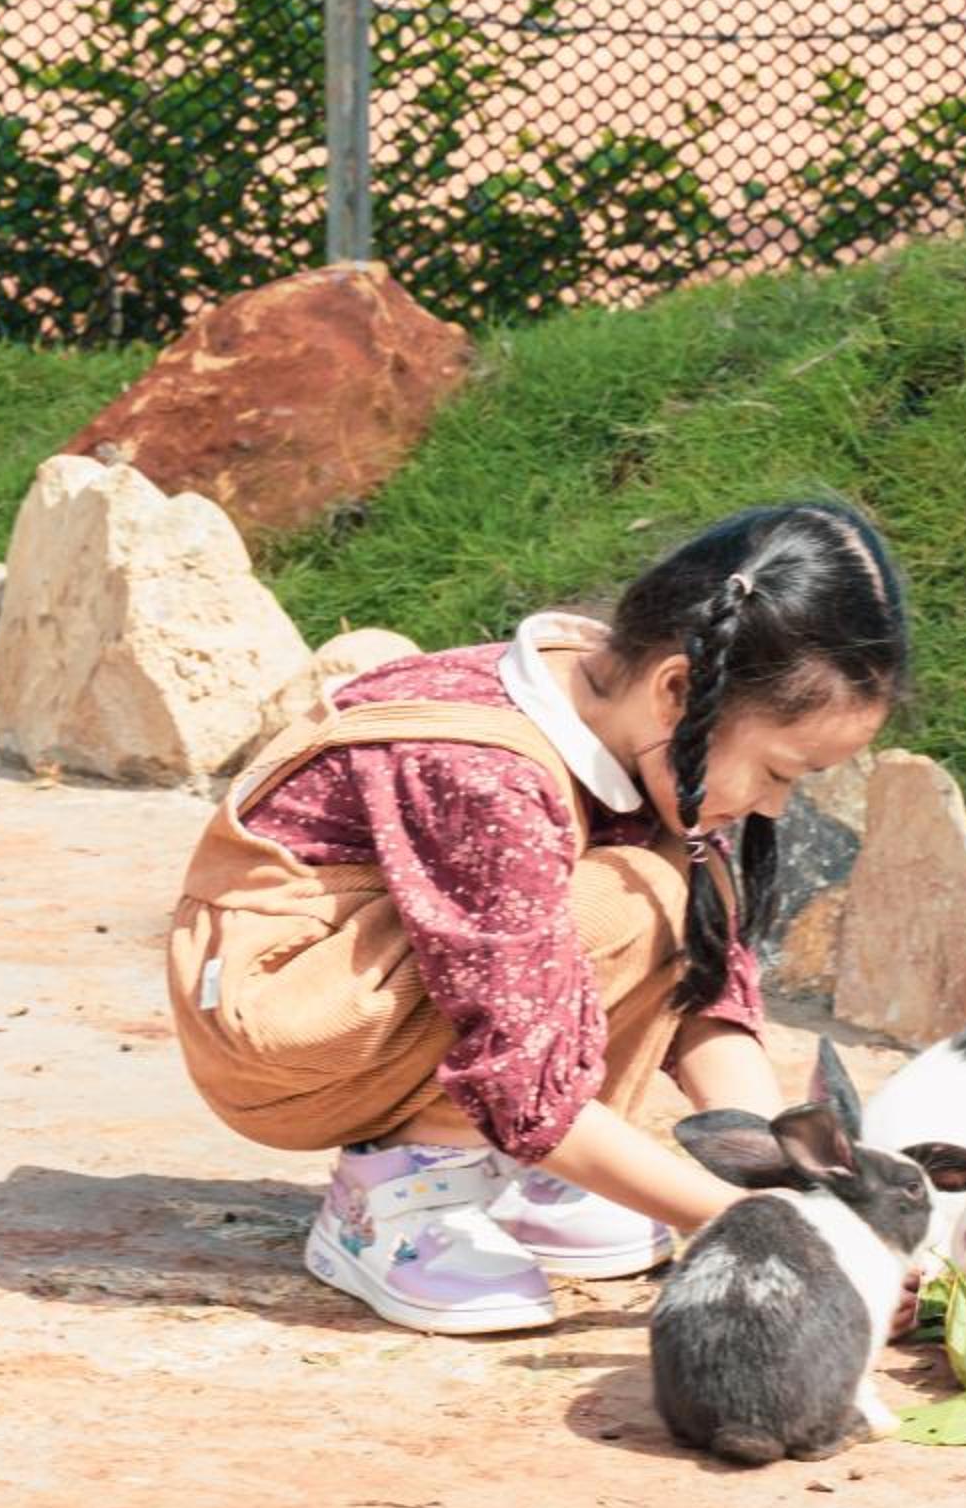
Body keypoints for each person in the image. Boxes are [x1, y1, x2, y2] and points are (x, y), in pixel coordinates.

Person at [163, 501, 907, 1334]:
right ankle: (400, 1195)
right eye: (780, 772)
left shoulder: (632, 720)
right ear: (677, 690)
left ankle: (523, 1170)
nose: (775, 806)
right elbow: (517, 1062)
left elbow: (704, 990)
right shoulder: (489, 777)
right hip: (282, 1023)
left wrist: (793, 1181)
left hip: (379, 988)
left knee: (668, 880)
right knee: (630, 897)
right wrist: (760, 1230)